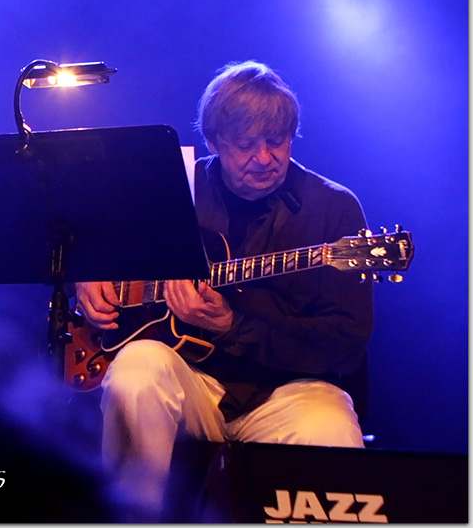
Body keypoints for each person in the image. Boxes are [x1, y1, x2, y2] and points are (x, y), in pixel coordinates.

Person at [77, 60, 372, 519]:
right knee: (136, 368)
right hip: (193, 379)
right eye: (245, 146)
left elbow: (345, 343)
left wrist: (233, 325)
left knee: (330, 426)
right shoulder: (179, 192)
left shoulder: (333, 209)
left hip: (290, 389)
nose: (265, 157)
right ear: (214, 143)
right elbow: (92, 237)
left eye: (276, 141)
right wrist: (89, 274)